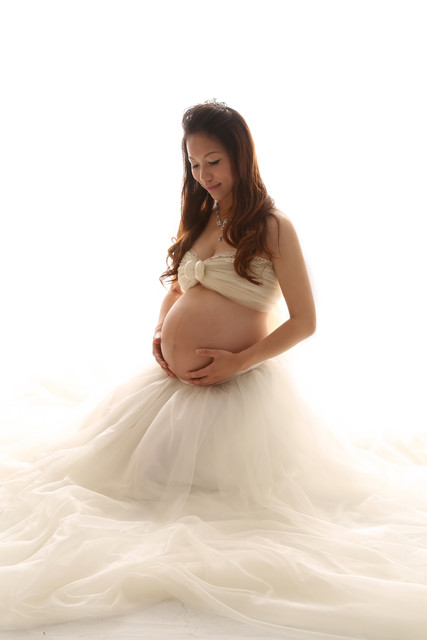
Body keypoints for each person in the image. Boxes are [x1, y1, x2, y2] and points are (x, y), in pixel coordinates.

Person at [0, 101, 427, 640]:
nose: (204, 174)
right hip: (172, 390)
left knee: (217, 511)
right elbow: (181, 287)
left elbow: (306, 322)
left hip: (238, 387)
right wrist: (161, 330)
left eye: (214, 161)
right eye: (195, 163)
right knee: (116, 488)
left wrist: (238, 362)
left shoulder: (272, 227)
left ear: (242, 156)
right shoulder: (201, 217)